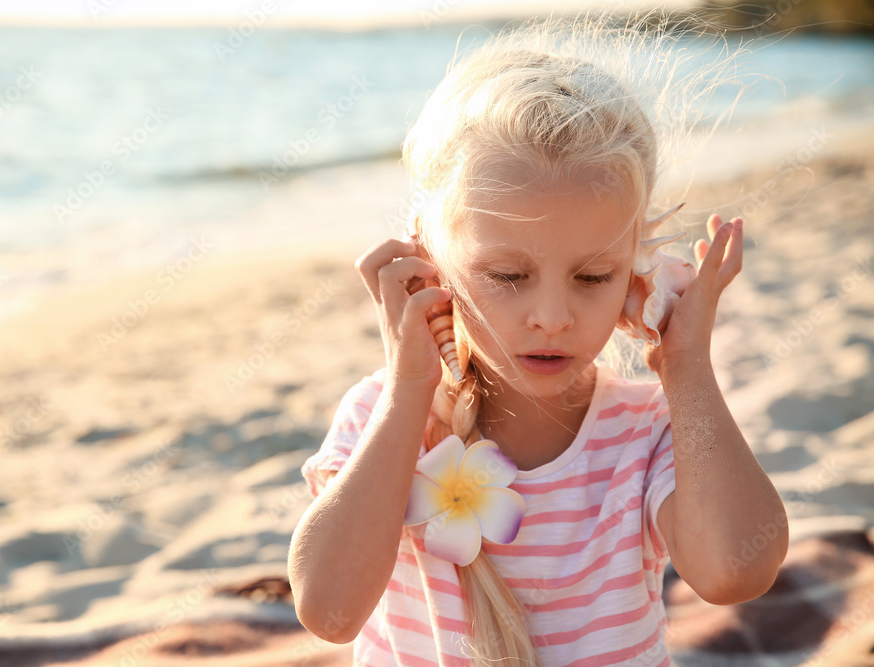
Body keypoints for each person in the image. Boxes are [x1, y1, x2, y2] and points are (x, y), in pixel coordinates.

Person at [288, 12, 788, 666]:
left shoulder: (648, 431)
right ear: (428, 260)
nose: (552, 315)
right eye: (508, 274)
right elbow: (329, 610)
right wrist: (409, 390)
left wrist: (687, 367)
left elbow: (734, 570)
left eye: (592, 275)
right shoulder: (382, 415)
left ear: (637, 270)